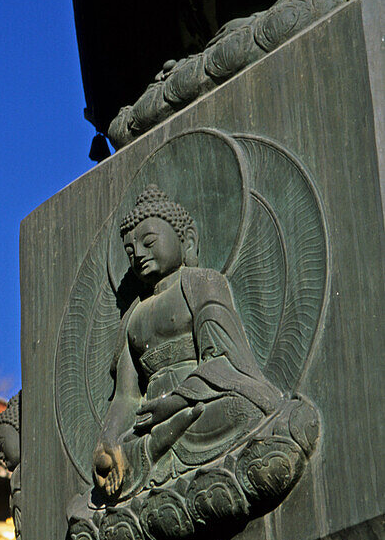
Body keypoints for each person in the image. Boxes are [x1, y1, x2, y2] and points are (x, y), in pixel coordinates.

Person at [92, 185, 290, 501]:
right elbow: (127, 397)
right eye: (130, 252)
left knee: (242, 410)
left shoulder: (200, 283)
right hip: (151, 426)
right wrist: (108, 440)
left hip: (199, 406)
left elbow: (224, 361)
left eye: (149, 242)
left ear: (186, 239)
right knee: (121, 456)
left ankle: (163, 454)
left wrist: (176, 402)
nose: (139, 254)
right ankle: (155, 454)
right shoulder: (134, 315)